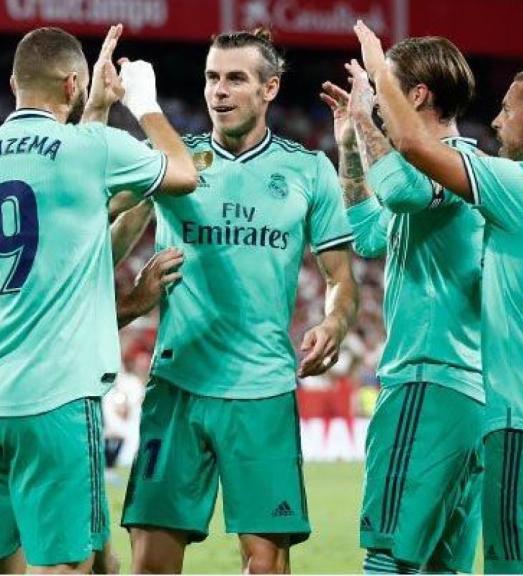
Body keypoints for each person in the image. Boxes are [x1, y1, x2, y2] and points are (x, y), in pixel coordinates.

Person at [0, 24, 197, 574]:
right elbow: (183, 172)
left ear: (14, 83)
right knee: (71, 566)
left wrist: (5, 320)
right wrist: (145, 104)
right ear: (73, 83)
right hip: (54, 402)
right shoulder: (90, 148)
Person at [355, 22, 523, 574]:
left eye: (507, 109)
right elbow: (375, 228)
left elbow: (414, 148)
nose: (496, 121)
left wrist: (381, 76)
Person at [114, 29, 359, 574]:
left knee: (266, 565)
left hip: (263, 391)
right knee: (151, 564)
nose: (218, 91)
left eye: (235, 79)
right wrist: (132, 300)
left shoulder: (307, 170)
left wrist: (334, 324)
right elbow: (99, 253)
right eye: (211, 78)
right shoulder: (171, 163)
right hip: (177, 388)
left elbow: (340, 278)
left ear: (269, 88)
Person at [320, 36, 485, 574]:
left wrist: (369, 114)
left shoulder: (453, 164)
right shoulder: (460, 173)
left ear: (415, 96)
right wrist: (349, 143)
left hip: (429, 380)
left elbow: (399, 193)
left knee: (389, 558)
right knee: (440, 566)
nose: (375, 98)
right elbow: (368, 235)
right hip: (470, 394)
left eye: (385, 87)